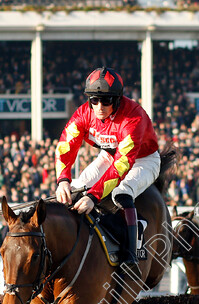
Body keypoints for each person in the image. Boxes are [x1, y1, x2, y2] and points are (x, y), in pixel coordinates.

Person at [54, 67, 161, 275]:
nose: (100, 106)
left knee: (121, 193)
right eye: (94, 100)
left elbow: (122, 165)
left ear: (118, 99)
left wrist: (94, 196)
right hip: (108, 155)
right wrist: (63, 179)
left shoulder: (133, 117)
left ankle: (131, 253)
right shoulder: (84, 113)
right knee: (75, 189)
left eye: (107, 100)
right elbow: (65, 146)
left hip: (143, 160)